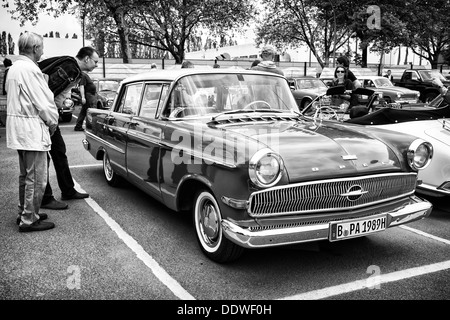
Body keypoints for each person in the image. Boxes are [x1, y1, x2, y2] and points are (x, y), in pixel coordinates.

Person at [5, 32, 59, 232]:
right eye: (42, 48)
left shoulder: (15, 68)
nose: (43, 51)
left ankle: (25, 211)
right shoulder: (31, 69)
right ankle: (29, 219)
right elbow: (44, 102)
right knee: (36, 177)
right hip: (31, 130)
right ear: (35, 48)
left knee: (25, 176)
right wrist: (52, 122)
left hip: (19, 129)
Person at [74, 47, 99, 131]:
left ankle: (79, 126)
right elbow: (81, 86)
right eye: (95, 62)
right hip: (88, 96)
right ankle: (91, 127)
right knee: (90, 111)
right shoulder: (83, 75)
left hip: (88, 96)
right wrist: (83, 97)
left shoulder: (83, 74)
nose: (97, 65)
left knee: (84, 112)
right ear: (87, 59)